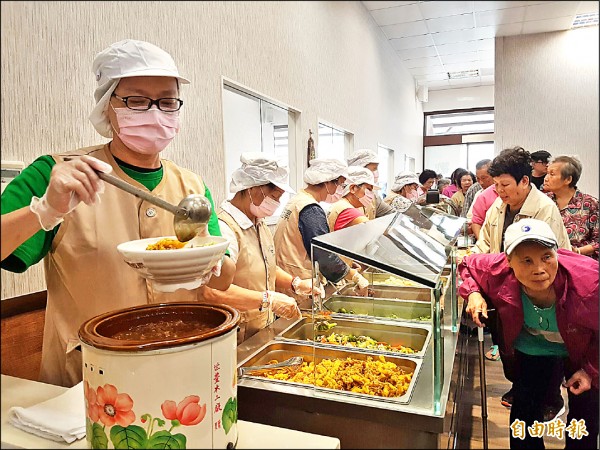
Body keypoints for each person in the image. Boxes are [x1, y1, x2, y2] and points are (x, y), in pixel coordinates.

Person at [0, 39, 235, 387]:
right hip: (88, 377)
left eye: (167, 101)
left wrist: (210, 257)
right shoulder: (58, 173)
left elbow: (224, 278)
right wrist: (46, 208)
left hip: (179, 368)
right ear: (106, 105)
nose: (155, 113)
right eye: (136, 100)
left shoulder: (192, 187)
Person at [460, 219, 598, 449]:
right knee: (524, 416)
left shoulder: (590, 282)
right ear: (508, 262)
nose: (539, 269)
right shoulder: (497, 268)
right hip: (532, 346)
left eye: (546, 257)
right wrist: (473, 293)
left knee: (585, 420)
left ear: (557, 253)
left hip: (583, 348)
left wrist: (592, 370)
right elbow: (466, 265)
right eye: (526, 260)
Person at [471, 146, 571, 412]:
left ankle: (550, 399)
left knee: (542, 347)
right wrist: (472, 264)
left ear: (525, 181)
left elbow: (550, 258)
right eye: (496, 185)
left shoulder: (544, 209)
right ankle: (523, 388)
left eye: (505, 184)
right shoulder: (498, 205)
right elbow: (485, 244)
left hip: (535, 290)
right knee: (511, 346)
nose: (499, 191)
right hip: (504, 289)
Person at [199, 153, 316, 344]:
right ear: (252, 189)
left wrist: (295, 283)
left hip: (261, 329)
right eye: (274, 197)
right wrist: (267, 299)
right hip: (237, 334)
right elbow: (212, 291)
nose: (276, 204)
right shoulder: (224, 228)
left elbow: (265, 268)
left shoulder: (259, 223)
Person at [274, 158, 370, 307]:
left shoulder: (298, 200)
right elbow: (324, 256)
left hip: (289, 280)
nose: (341, 189)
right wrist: (354, 276)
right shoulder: (310, 209)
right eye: (340, 184)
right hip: (300, 284)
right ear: (328, 182)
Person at [543, 155, 599, 260]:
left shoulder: (591, 204)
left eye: (552, 174)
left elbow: (597, 242)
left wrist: (577, 251)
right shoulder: (543, 201)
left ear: (568, 179)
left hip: (580, 263)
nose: (546, 179)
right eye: (546, 173)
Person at [346, 149, 394, 219]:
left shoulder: (373, 198)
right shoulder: (345, 198)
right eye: (374, 169)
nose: (376, 173)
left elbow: (391, 213)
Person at [327, 166, 378, 231]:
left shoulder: (340, 204)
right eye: (369, 189)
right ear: (353, 188)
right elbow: (372, 231)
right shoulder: (349, 212)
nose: (371, 194)